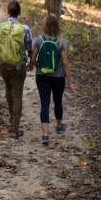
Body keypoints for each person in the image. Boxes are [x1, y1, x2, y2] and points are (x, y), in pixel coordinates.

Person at [29, 14, 73, 145]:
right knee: (58, 101)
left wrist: (36, 66)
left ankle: (45, 135)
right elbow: (65, 62)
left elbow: (33, 58)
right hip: (58, 77)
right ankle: (59, 126)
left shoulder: (39, 40)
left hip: (41, 76)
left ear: (45, 26)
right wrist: (70, 81)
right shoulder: (61, 42)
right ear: (58, 27)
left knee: (44, 103)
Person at [0, 0, 32, 139]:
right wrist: (32, 62)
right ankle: (14, 128)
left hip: (3, 65)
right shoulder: (25, 29)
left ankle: (12, 119)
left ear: (8, 11)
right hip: (18, 67)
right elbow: (29, 48)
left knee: (8, 90)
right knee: (18, 95)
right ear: (19, 12)